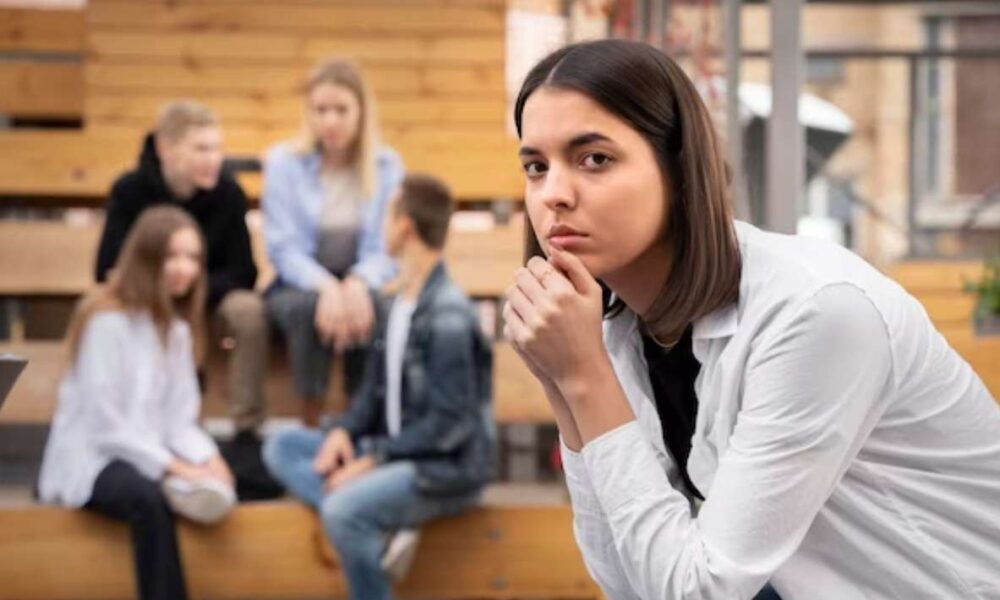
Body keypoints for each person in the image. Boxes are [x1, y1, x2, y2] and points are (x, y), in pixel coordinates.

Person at [504, 39, 1000, 600]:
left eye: (595, 158)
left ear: (677, 168)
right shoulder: (620, 331)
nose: (555, 196)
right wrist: (561, 384)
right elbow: (627, 579)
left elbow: (701, 591)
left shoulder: (814, 312)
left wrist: (582, 378)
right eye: (536, 167)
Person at [263, 174, 496, 600]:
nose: (381, 227)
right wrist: (342, 433)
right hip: (394, 451)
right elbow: (372, 393)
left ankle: (369, 520)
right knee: (283, 447)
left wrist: (371, 461)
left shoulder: (448, 317)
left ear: (405, 226)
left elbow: (451, 427)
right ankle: (387, 529)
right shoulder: (395, 304)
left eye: (386, 216)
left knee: (342, 511)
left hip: (444, 467)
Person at [39, 206, 236, 600]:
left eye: (193, 258)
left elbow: (179, 419)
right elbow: (105, 427)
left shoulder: (176, 331)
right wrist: (176, 467)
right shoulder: (105, 322)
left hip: (150, 453)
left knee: (234, 478)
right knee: (148, 499)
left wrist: (209, 459)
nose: (185, 269)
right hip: (94, 459)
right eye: (173, 256)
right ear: (147, 258)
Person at [94, 100, 267, 441]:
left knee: (248, 310)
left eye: (217, 149)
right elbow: (108, 269)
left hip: (211, 301)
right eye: (201, 149)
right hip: (147, 300)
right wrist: (164, 288)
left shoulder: (230, 194)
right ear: (166, 149)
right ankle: (141, 423)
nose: (213, 159)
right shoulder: (130, 191)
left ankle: (247, 430)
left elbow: (244, 272)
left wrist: (191, 286)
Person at [263, 57, 404, 426]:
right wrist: (326, 286)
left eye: (340, 109)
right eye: (320, 110)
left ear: (361, 111)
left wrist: (356, 283)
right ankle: (310, 424)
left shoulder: (387, 167)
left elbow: (386, 248)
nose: (330, 121)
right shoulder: (282, 163)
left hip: (360, 280)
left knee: (372, 306)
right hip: (299, 285)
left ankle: (361, 425)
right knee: (309, 309)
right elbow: (283, 249)